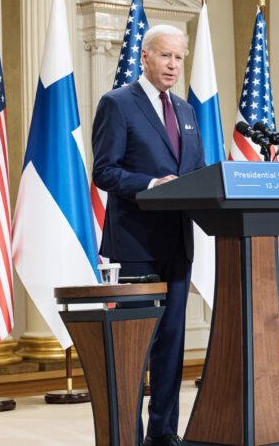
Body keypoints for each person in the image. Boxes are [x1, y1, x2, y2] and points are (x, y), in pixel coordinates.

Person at [92, 24, 206, 446]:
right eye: (165, 56)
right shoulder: (118, 104)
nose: (174, 64)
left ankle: (163, 432)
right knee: (134, 346)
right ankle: (128, 434)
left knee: (171, 345)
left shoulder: (187, 112)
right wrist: (151, 184)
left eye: (179, 57)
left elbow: (195, 171)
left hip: (177, 241)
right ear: (144, 57)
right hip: (134, 244)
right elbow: (104, 171)